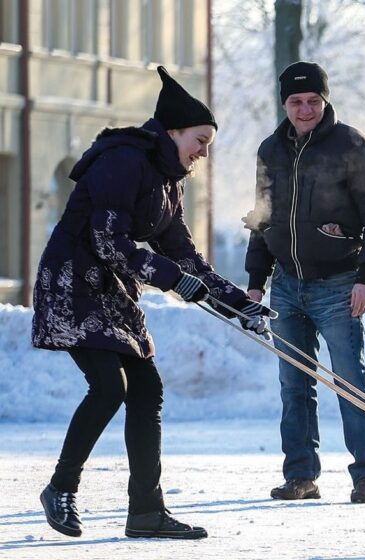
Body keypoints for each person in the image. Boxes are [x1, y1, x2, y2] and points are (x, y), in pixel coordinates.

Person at [31, 66, 273, 539]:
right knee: (109, 387)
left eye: (208, 142)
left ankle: (146, 512)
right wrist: (171, 281)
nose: (204, 151)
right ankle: (60, 487)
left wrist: (236, 303)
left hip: (112, 289)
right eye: (200, 139)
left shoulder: (168, 179)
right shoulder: (123, 161)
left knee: (146, 389)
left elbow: (182, 253)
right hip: (73, 283)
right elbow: (107, 241)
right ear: (172, 131)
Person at [242, 61, 365, 504]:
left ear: (325, 100)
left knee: (349, 380)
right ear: (284, 104)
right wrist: (256, 283)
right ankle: (300, 476)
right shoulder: (271, 150)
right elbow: (262, 218)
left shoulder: (351, 146)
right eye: (296, 101)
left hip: (339, 284)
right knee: (293, 384)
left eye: (313, 100)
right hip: (287, 286)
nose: (305, 109)